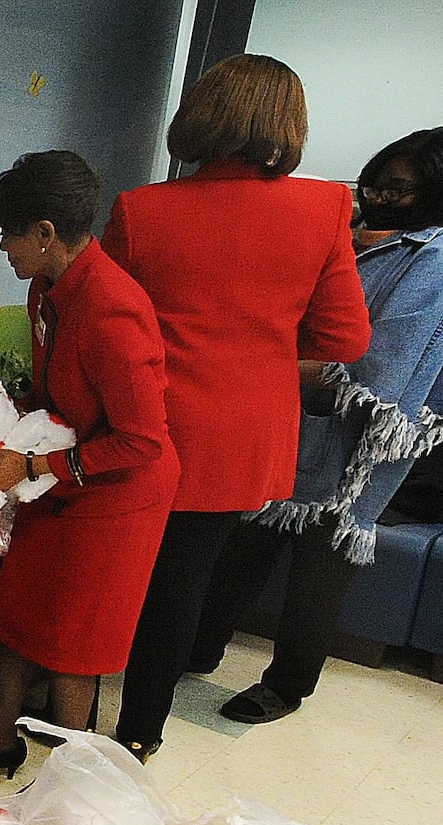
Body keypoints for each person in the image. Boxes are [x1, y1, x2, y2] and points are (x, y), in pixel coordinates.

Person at [100, 53, 371, 761]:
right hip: (247, 426)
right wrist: (271, 333)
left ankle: (99, 707)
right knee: (191, 570)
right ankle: (138, 732)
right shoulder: (324, 206)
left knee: (143, 568)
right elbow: (346, 335)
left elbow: (109, 322)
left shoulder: (142, 208)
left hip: (150, 417)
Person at [0, 151, 178, 784]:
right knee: (15, 615)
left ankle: (73, 784)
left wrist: (35, 460)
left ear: (44, 234)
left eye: (10, 236)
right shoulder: (49, 287)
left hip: (115, 497)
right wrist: (0, 423)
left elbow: (141, 440)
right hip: (60, 475)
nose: (3, 251)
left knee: (73, 647)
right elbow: (57, 391)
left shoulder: (115, 309)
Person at [187, 126, 443, 723]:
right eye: (375, 181)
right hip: (298, 414)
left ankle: (288, 685)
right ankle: (197, 646)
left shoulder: (431, 258)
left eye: (400, 190)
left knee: (321, 565)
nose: (379, 195)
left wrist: (270, 365)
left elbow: (384, 369)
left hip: (361, 441)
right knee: (246, 540)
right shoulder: (362, 238)